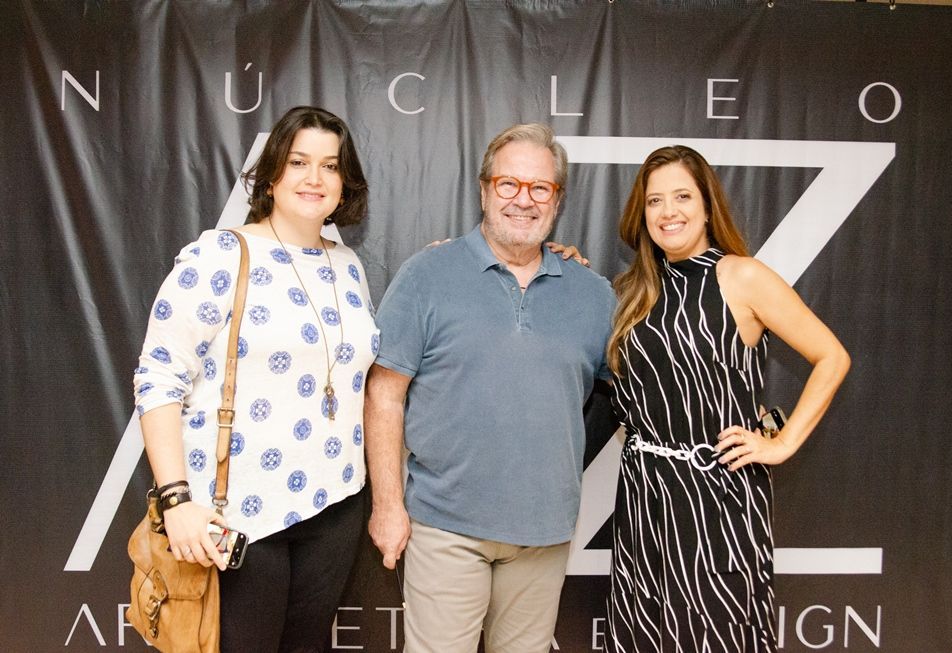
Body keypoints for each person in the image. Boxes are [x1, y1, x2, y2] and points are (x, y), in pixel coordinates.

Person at [133, 106, 377, 651]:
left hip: (335, 504)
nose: (314, 178)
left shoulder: (348, 266)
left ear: (345, 183)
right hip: (238, 515)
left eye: (330, 166)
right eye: (298, 162)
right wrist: (176, 501)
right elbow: (157, 378)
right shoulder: (218, 254)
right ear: (271, 175)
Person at [365, 123, 616, 653]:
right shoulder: (426, 275)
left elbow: (639, 391)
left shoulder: (594, 295)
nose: (522, 200)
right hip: (445, 525)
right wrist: (388, 505)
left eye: (539, 188)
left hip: (544, 532)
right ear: (483, 189)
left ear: (557, 199)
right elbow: (384, 394)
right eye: (508, 184)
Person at [604, 145, 851, 652]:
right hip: (645, 497)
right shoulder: (632, 290)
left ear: (706, 204)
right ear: (641, 212)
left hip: (720, 497)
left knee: (718, 635)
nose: (668, 211)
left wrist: (780, 444)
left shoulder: (741, 276)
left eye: (681, 196)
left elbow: (831, 357)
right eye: (654, 201)